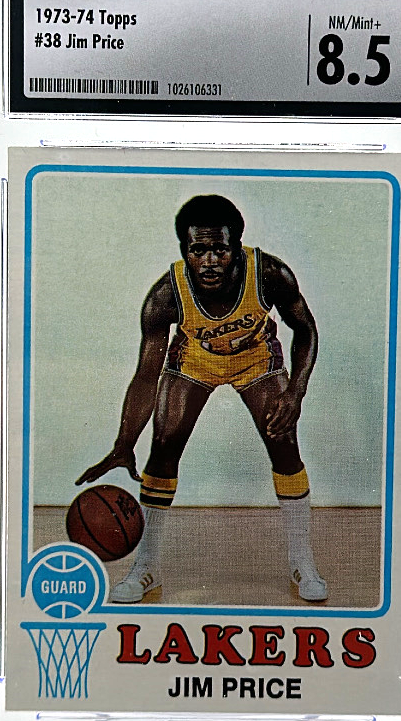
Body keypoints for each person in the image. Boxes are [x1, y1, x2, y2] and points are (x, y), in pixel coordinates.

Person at [76, 194, 327, 603]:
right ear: (184, 250)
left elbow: (306, 329)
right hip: (195, 360)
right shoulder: (165, 295)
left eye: (219, 250)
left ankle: (302, 561)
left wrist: (296, 392)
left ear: (237, 247)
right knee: (163, 446)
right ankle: (147, 566)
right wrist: (123, 443)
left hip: (255, 359)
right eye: (198, 250)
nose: (209, 261)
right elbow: (146, 375)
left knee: (283, 442)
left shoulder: (269, 273)